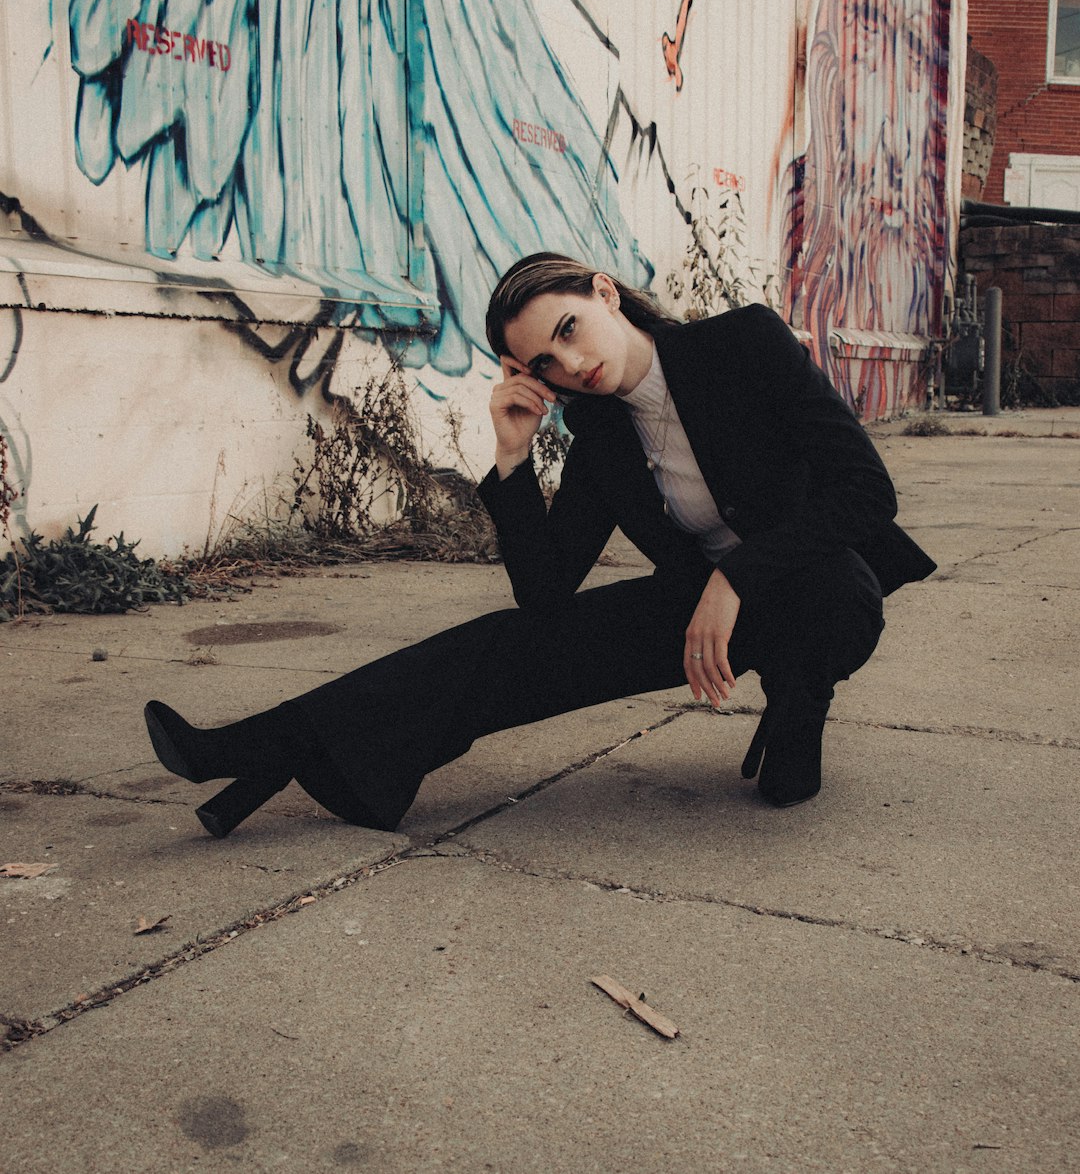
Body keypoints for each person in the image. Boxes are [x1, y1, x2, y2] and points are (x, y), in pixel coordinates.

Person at [145, 253, 936, 837]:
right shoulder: (601, 438)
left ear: (602, 291)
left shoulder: (742, 346)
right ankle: (254, 750)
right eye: (546, 363)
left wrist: (731, 580)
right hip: (702, 610)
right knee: (500, 645)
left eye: (569, 330)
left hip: (817, 591)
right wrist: (515, 461)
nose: (572, 365)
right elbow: (545, 597)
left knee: (829, 588)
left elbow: (868, 493)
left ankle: (802, 706)